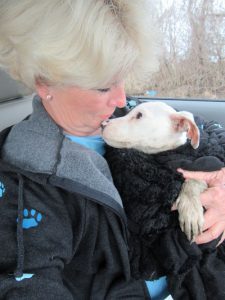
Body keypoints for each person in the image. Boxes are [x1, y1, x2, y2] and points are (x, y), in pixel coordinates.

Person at [0, 1, 224, 299]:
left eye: (122, 78)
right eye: (103, 87)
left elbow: (208, 136)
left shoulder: (126, 114)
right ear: (46, 83)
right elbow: (26, 284)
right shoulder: (27, 180)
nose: (122, 99)